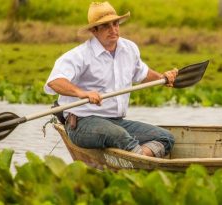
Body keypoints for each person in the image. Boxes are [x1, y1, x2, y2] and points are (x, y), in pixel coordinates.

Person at [44, 1, 178, 158]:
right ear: (94, 30)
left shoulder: (129, 49)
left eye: (116, 24)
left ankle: (139, 157)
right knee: (120, 136)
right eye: (106, 26)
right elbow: (55, 81)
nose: (113, 30)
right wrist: (82, 93)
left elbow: (142, 73)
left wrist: (162, 78)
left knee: (166, 137)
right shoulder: (80, 55)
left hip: (116, 122)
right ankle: (141, 161)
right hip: (82, 123)